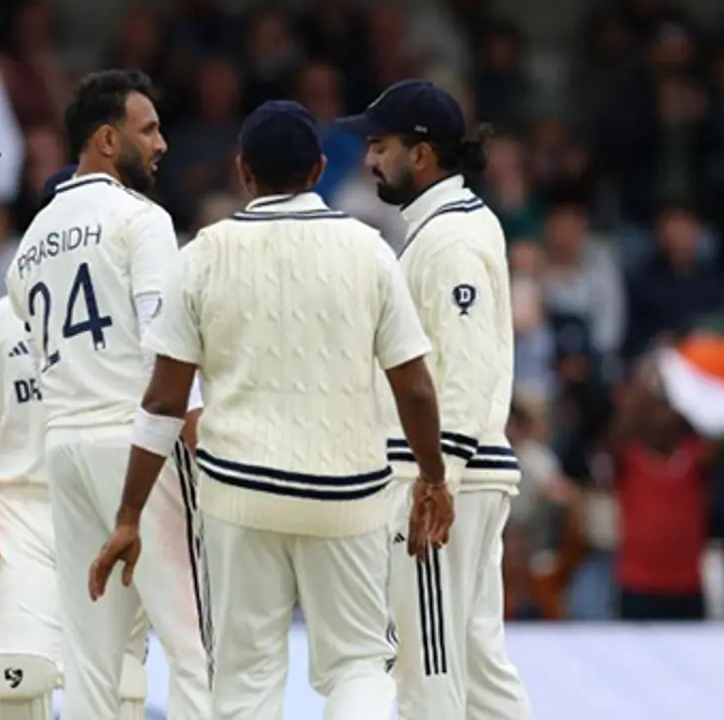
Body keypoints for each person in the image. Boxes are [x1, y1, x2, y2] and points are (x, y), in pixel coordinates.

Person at [91, 99, 454, 720]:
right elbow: (415, 386)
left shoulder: (203, 254)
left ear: (242, 170)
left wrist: (128, 516)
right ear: (318, 169)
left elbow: (163, 402)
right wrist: (433, 476)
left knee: (244, 680)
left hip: (239, 496)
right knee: (358, 668)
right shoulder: (367, 250)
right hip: (348, 494)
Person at [4, 69, 211, 720]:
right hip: (136, 441)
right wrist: (200, 434)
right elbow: (165, 345)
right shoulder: (141, 220)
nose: (162, 143)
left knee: (91, 655)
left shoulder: (29, 244)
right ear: (104, 138)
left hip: (63, 446)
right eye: (147, 129)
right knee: (193, 641)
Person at [333, 78, 533, 719]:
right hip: (462, 477)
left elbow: (466, 366)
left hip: (445, 481)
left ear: (421, 153)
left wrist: (433, 477)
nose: (369, 160)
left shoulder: (449, 239)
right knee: (473, 661)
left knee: (429, 664)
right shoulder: (447, 227)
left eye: (379, 144)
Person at [0, 168, 151, 720]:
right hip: (23, 513)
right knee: (16, 678)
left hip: (115, 507)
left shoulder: (140, 312)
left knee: (121, 682)